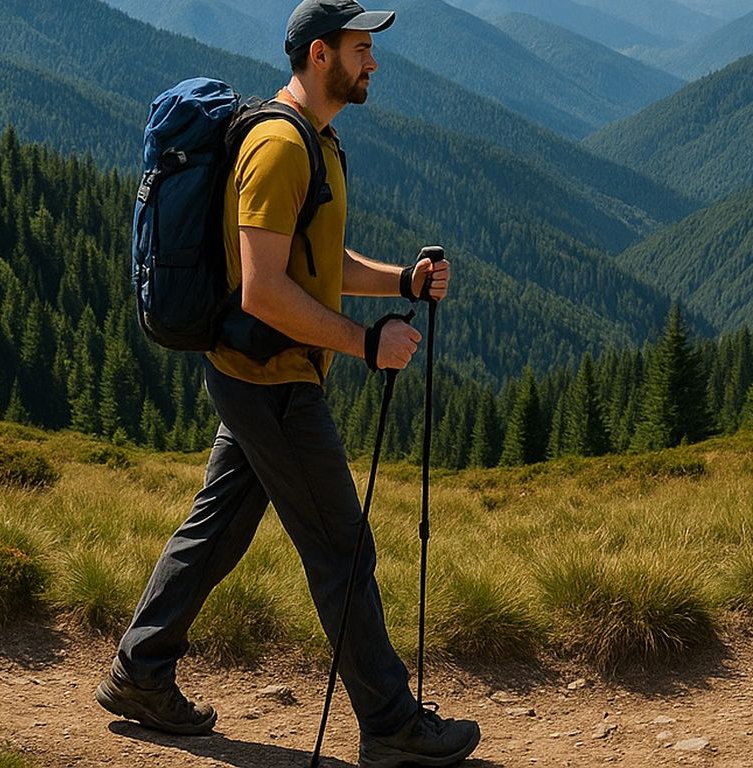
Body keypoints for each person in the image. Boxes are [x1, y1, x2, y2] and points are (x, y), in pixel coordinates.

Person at [95, 1, 480, 765]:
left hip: (256, 378)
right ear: (318, 56)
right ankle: (391, 726)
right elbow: (264, 291)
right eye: (360, 48)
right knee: (343, 551)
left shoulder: (318, 141)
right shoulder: (279, 148)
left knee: (217, 532)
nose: (373, 62)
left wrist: (398, 278)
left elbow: (318, 263)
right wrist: (367, 344)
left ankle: (139, 672)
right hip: (271, 384)